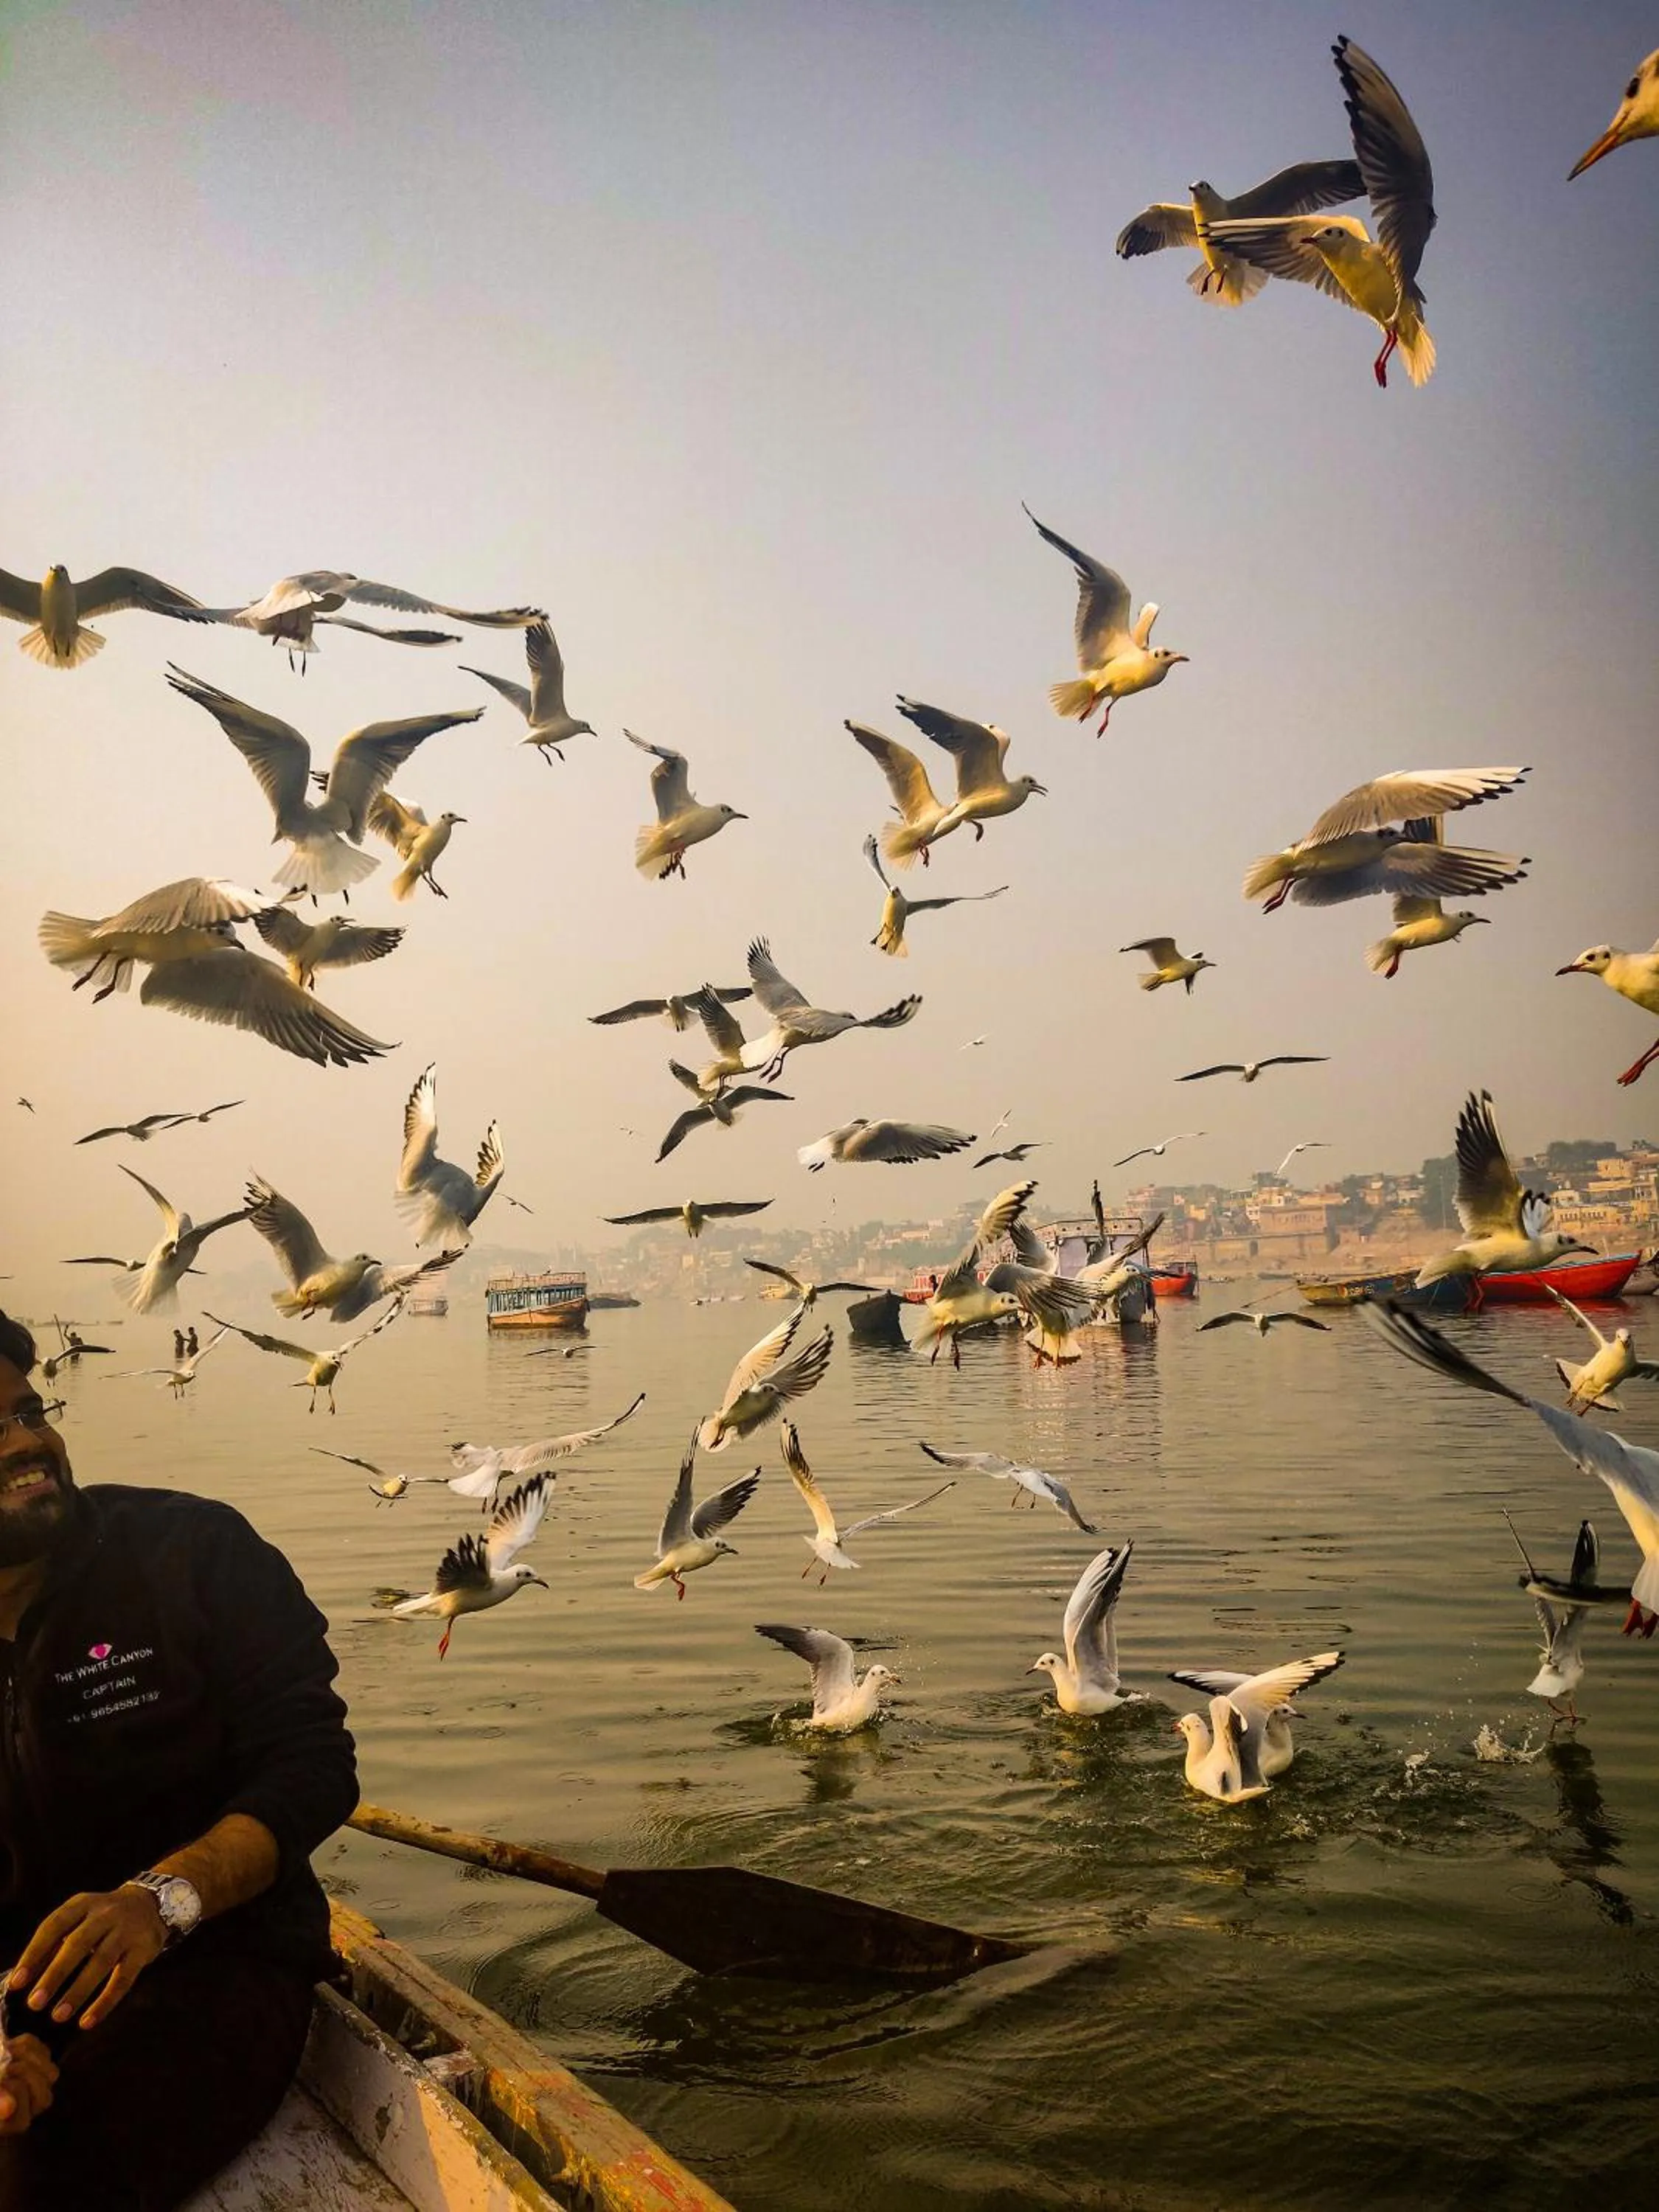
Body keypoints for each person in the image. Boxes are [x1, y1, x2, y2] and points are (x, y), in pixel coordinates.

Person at [0, 1309, 358, 2210]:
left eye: (31, 1409)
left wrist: (160, 1902)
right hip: (16, 1983)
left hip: (213, 1962)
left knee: (51, 2173)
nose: (29, 1442)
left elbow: (312, 1764)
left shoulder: (193, 1554)